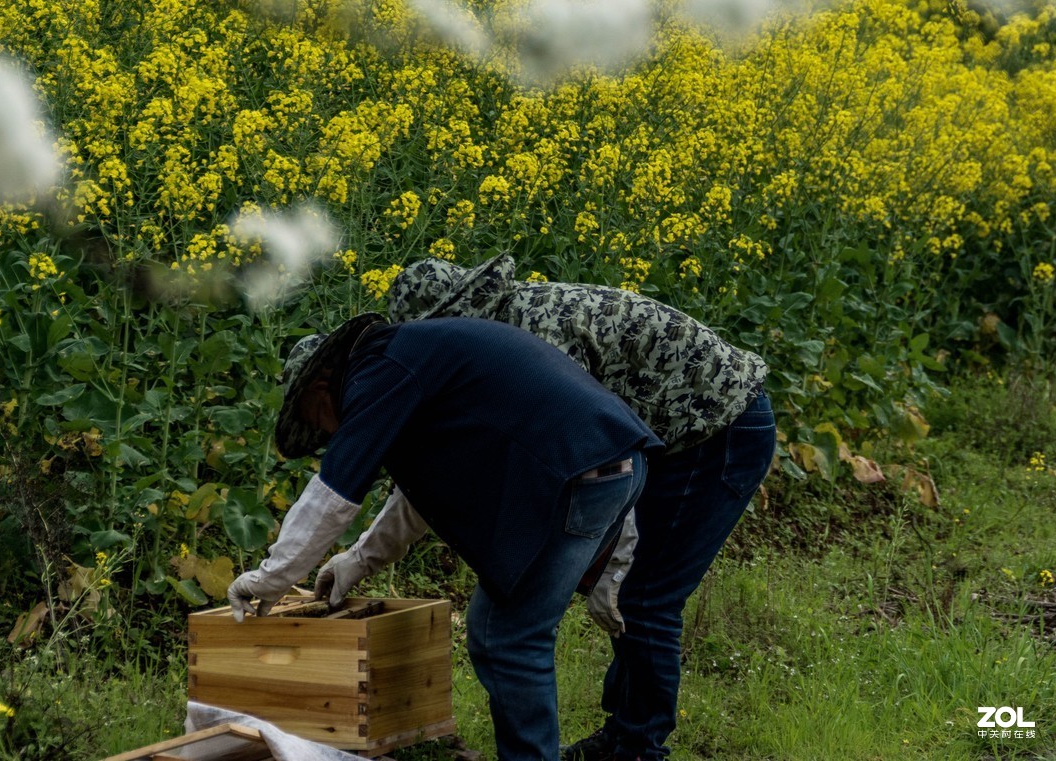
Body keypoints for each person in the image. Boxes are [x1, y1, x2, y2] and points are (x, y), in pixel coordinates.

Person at [315, 256, 777, 761]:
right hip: (665, 435)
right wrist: (361, 559)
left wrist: (617, 564)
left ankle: (639, 747)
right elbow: (431, 485)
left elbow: (592, 448)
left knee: (645, 599)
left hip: (719, 428)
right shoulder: (492, 343)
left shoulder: (530, 338)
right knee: (634, 596)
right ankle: (625, 737)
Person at [226, 312, 663, 761]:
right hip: (610, 464)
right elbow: (418, 499)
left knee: (508, 636)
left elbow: (333, 492)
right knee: (504, 631)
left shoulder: (380, 371)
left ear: (322, 385)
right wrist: (357, 562)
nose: (325, 432)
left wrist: (270, 577)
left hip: (575, 470)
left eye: (316, 419)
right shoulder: (411, 363)